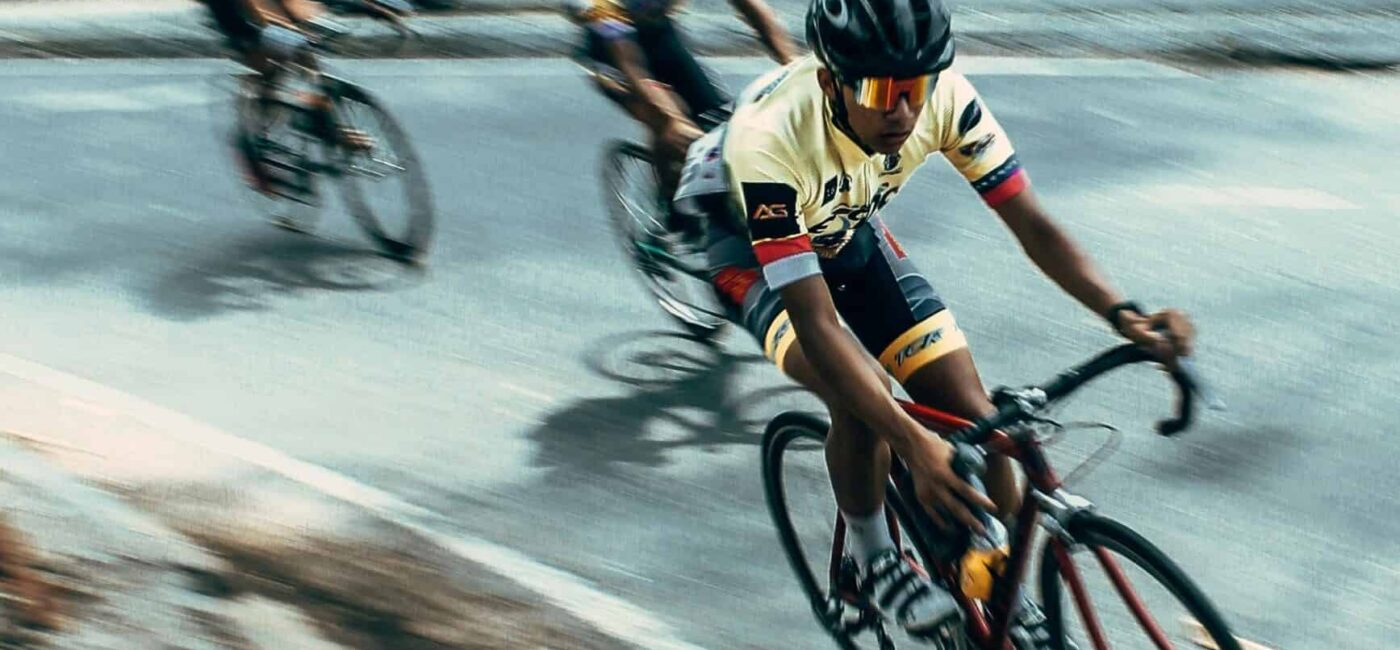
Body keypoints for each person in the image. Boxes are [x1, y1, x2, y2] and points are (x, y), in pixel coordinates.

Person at [674, 0, 1195, 645]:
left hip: (844, 229)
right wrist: (913, 442)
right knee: (862, 397)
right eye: (881, 91)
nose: (902, 111)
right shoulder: (772, 139)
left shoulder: (945, 99)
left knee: (979, 422)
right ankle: (871, 559)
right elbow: (815, 323)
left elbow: (1035, 226)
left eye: (915, 89)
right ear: (831, 81)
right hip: (746, 250)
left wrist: (1125, 315)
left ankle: (997, 598)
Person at [566, 0, 798, 231]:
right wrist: (673, 120)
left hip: (657, 33)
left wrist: (793, 66)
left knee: (717, 119)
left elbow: (754, 9)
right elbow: (633, 70)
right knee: (671, 122)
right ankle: (672, 207)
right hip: (610, 54)